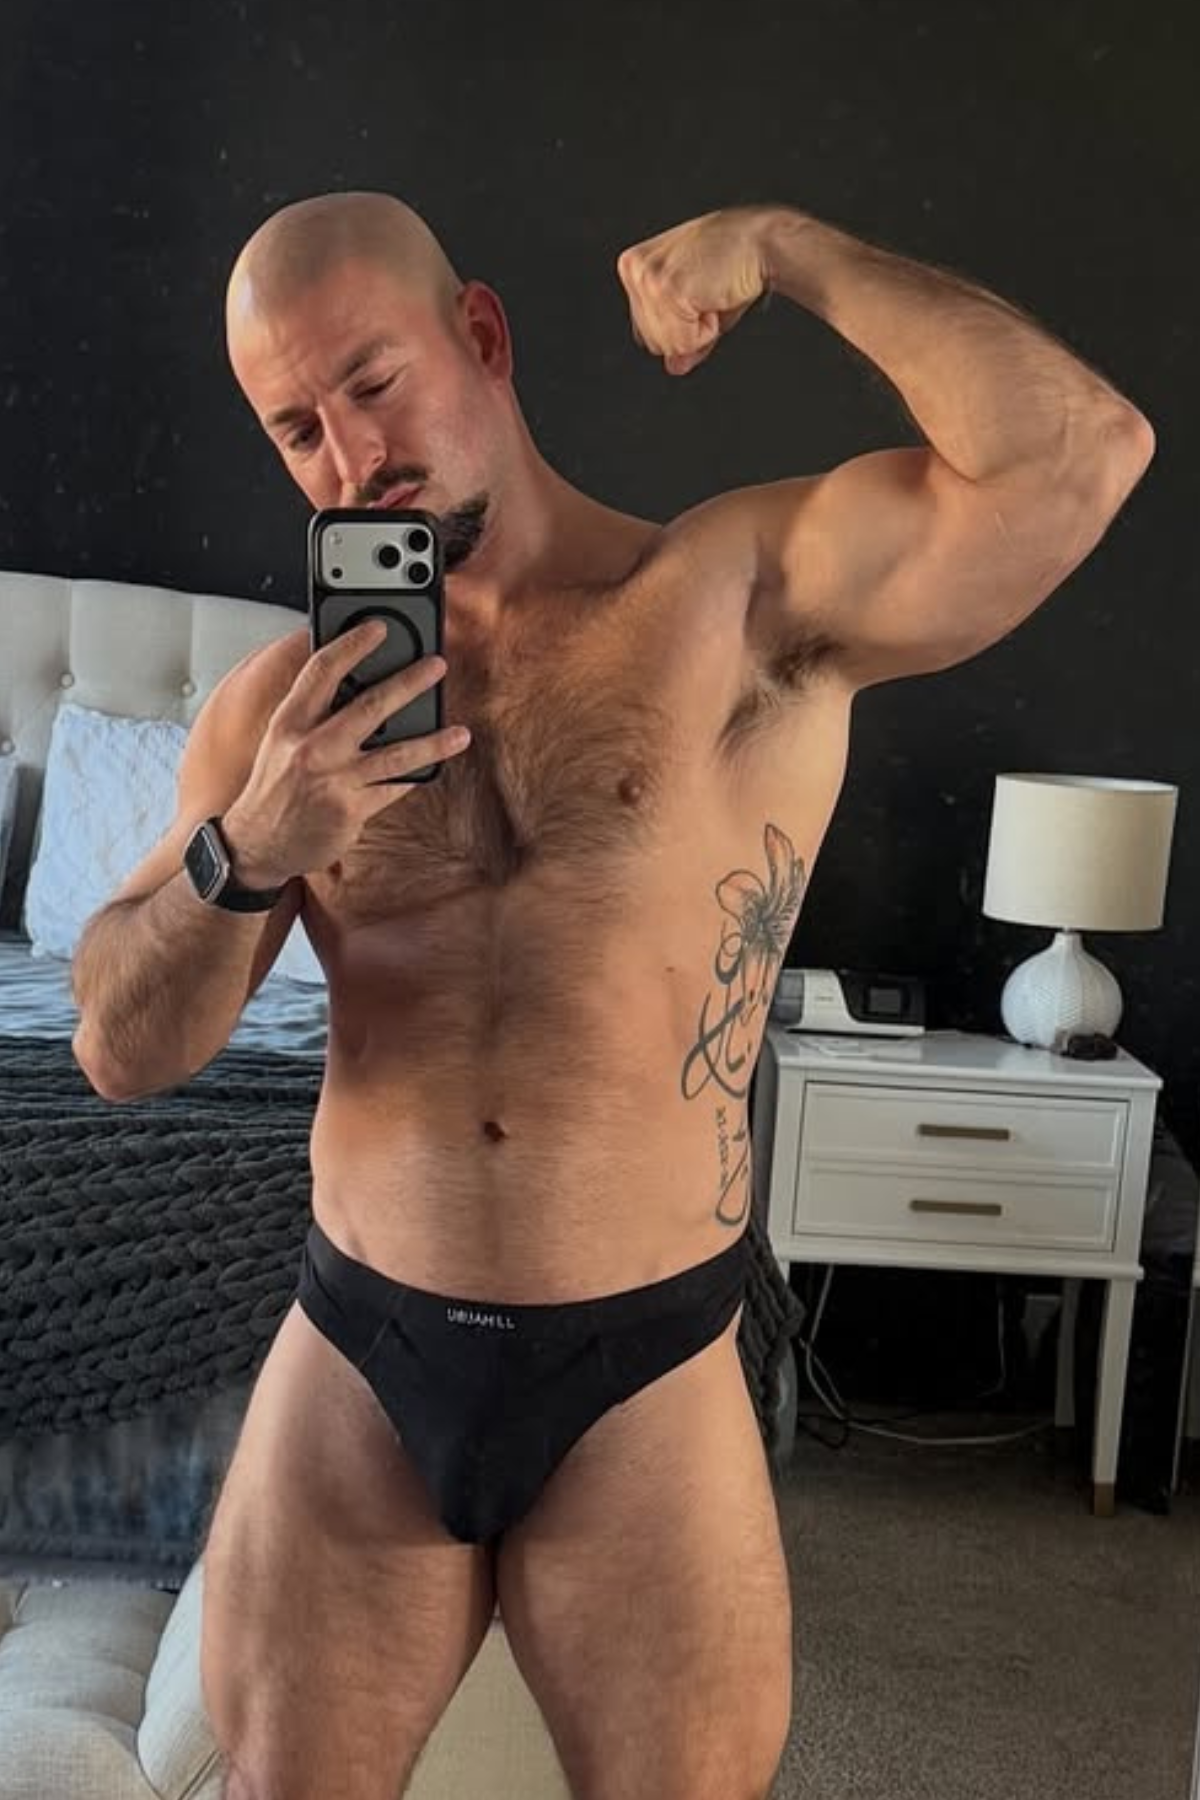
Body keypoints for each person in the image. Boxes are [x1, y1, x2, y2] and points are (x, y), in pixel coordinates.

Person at [71, 191, 1153, 1800]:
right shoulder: (274, 717)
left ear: (482, 338)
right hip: (365, 1346)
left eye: (373, 383)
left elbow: (1080, 457)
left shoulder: (733, 600)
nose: (350, 458)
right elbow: (115, 1045)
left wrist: (788, 249)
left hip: (642, 1363)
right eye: (296, 428)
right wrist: (250, 850)